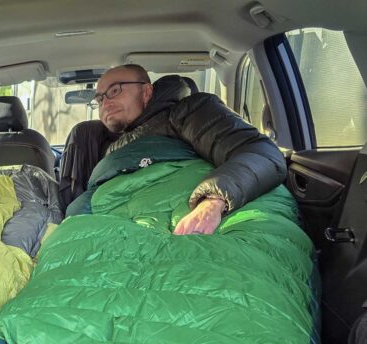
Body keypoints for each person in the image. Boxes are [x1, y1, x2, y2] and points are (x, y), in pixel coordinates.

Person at [62, 64, 286, 234]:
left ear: (147, 92)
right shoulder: (105, 147)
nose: (105, 104)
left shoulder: (189, 113)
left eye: (114, 91)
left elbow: (260, 153)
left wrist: (213, 201)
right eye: (99, 99)